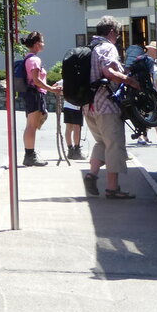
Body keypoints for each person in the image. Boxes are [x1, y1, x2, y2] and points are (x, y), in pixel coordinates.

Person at [83, 15, 142, 199]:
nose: (118, 36)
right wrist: (130, 81)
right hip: (106, 105)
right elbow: (108, 72)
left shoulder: (90, 48)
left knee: (102, 142)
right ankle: (112, 188)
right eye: (117, 33)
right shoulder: (107, 47)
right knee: (114, 145)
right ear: (111, 32)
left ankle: (91, 175)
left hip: (88, 105)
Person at [20, 31, 62, 167]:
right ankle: (30, 156)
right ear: (37, 44)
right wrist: (52, 89)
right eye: (42, 41)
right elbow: (37, 81)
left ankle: (29, 154)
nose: (44, 44)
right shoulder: (35, 60)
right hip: (35, 95)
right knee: (32, 126)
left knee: (30, 125)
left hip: (30, 94)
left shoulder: (28, 58)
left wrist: (49, 87)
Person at [62, 96, 85, 161]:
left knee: (68, 128)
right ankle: (76, 150)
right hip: (76, 105)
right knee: (76, 128)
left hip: (67, 105)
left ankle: (70, 150)